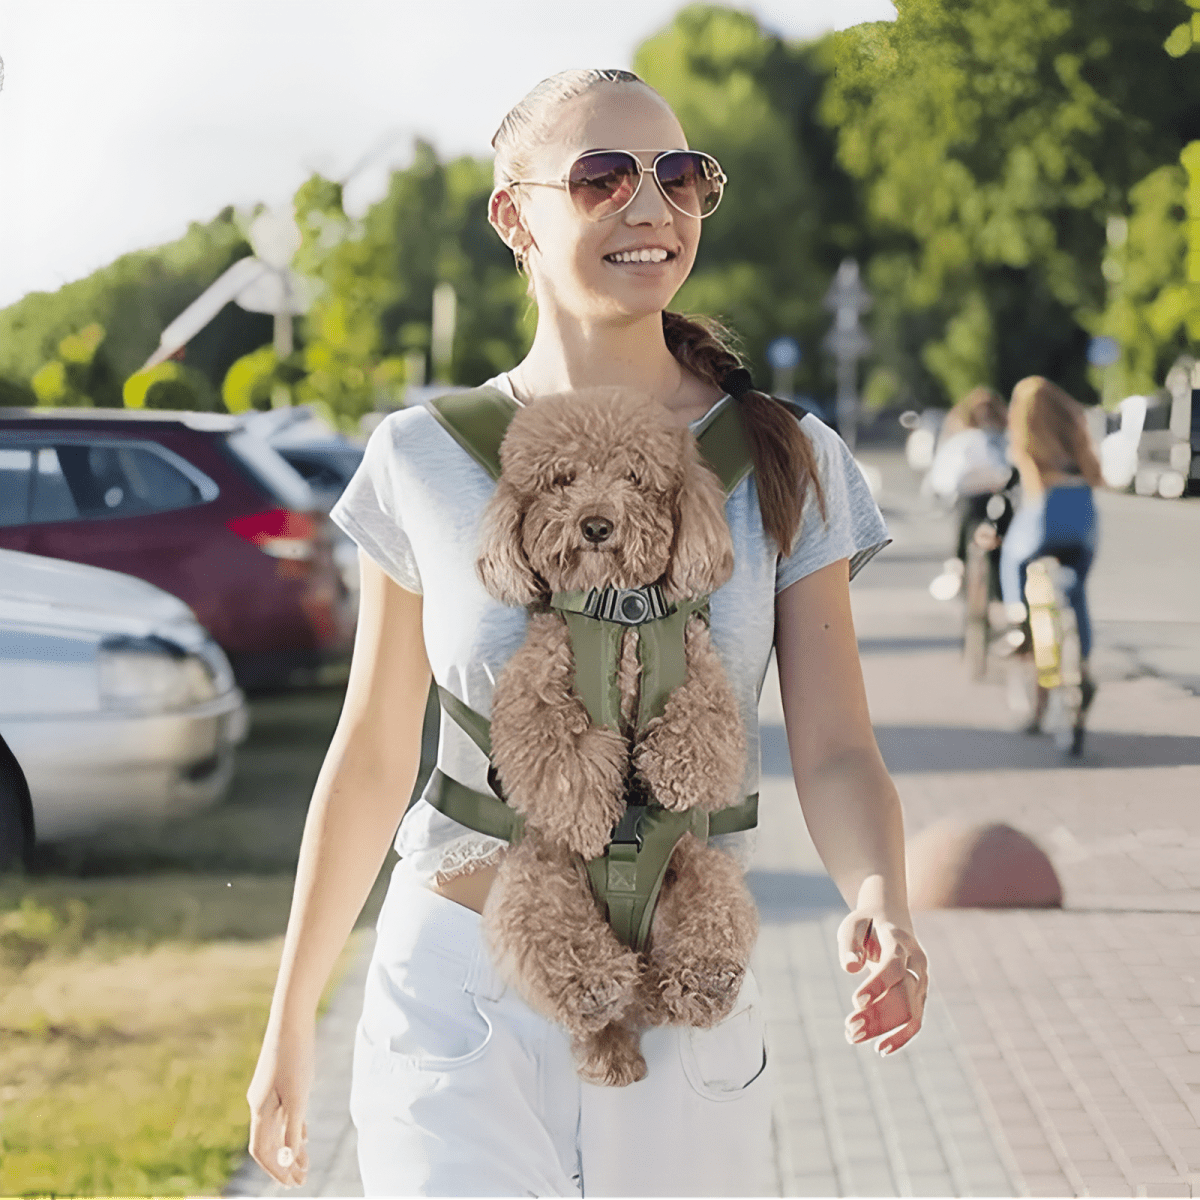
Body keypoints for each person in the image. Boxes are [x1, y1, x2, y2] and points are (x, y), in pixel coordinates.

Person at [244, 67, 929, 1197]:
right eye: (603, 178)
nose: (650, 207)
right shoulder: (421, 459)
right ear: (514, 213)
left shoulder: (787, 458)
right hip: (455, 990)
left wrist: (881, 903)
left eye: (681, 178)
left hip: (681, 992)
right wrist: (290, 1022)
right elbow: (371, 754)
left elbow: (841, 749)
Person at [998, 375, 1104, 728]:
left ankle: (1017, 624)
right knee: (1075, 589)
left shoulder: (1029, 435)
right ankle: (1084, 667)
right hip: (1084, 514)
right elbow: (1097, 475)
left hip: (1048, 512)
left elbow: (1025, 484)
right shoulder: (1075, 430)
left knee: (1013, 554)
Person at [926, 386, 1012, 601]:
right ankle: (959, 565)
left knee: (1002, 536)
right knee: (965, 523)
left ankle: (1002, 589)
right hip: (971, 496)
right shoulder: (963, 438)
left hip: (997, 495)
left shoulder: (1002, 437)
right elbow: (947, 470)